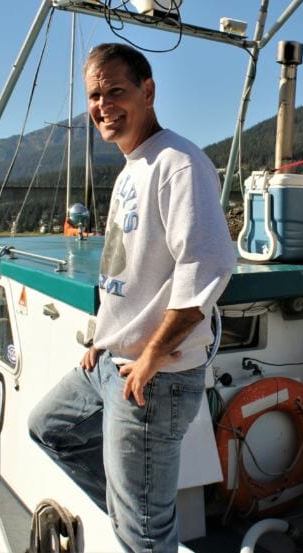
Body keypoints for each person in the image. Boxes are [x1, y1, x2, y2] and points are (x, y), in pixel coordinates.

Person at [28, 43, 236, 552]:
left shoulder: (178, 163)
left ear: (148, 91)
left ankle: (138, 522)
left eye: (115, 91)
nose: (103, 105)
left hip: (150, 381)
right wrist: (104, 338)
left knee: (145, 538)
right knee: (48, 428)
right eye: (95, 95)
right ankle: (132, 511)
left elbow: (207, 265)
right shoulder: (131, 168)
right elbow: (130, 270)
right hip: (109, 361)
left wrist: (151, 354)